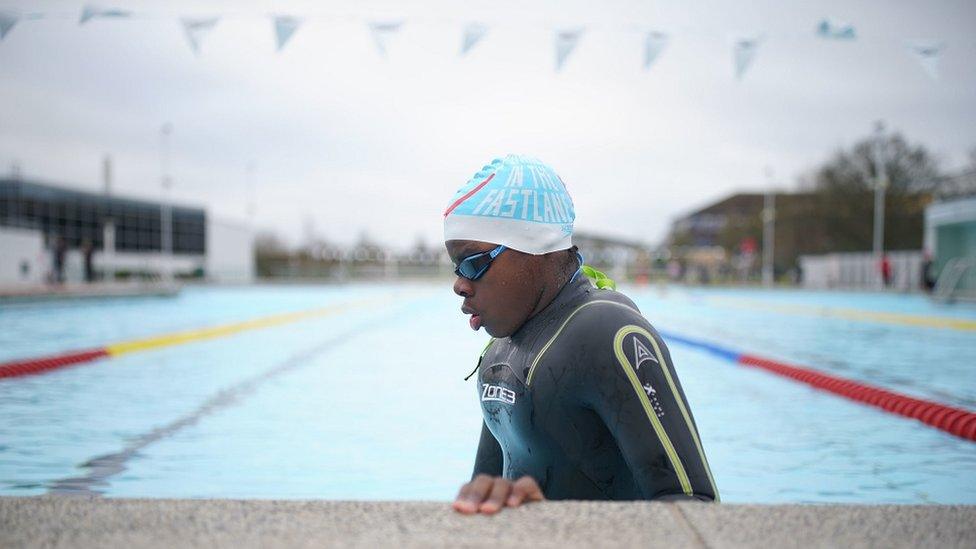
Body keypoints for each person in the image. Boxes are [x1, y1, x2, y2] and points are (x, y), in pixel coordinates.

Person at [443, 155, 718, 515]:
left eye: (473, 263)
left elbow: (695, 513)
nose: (459, 285)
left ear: (535, 248)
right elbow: (484, 500)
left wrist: (570, 528)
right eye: (456, 267)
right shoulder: (499, 352)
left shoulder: (607, 333)